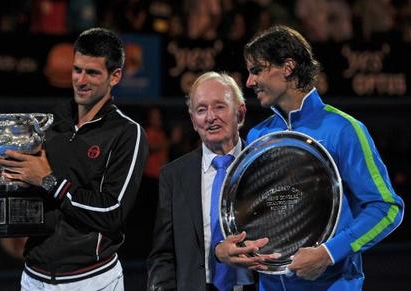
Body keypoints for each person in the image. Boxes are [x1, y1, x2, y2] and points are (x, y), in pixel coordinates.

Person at [226, 24, 404, 290]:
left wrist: (328, 253)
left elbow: (387, 208)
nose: (249, 82)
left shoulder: (344, 129)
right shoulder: (257, 136)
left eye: (257, 70)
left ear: (287, 67)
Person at [0, 27, 148, 290]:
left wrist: (49, 181)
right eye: (77, 70)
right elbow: (33, 190)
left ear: (115, 76)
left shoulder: (126, 132)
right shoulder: (51, 123)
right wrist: (6, 177)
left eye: (93, 72)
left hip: (90, 279)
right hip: (33, 276)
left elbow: (112, 211)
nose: (81, 80)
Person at [147, 71, 280, 291]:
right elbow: (163, 255)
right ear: (193, 121)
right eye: (201, 110)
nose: (210, 117)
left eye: (219, 107)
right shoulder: (174, 176)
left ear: (240, 114)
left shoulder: (265, 169)